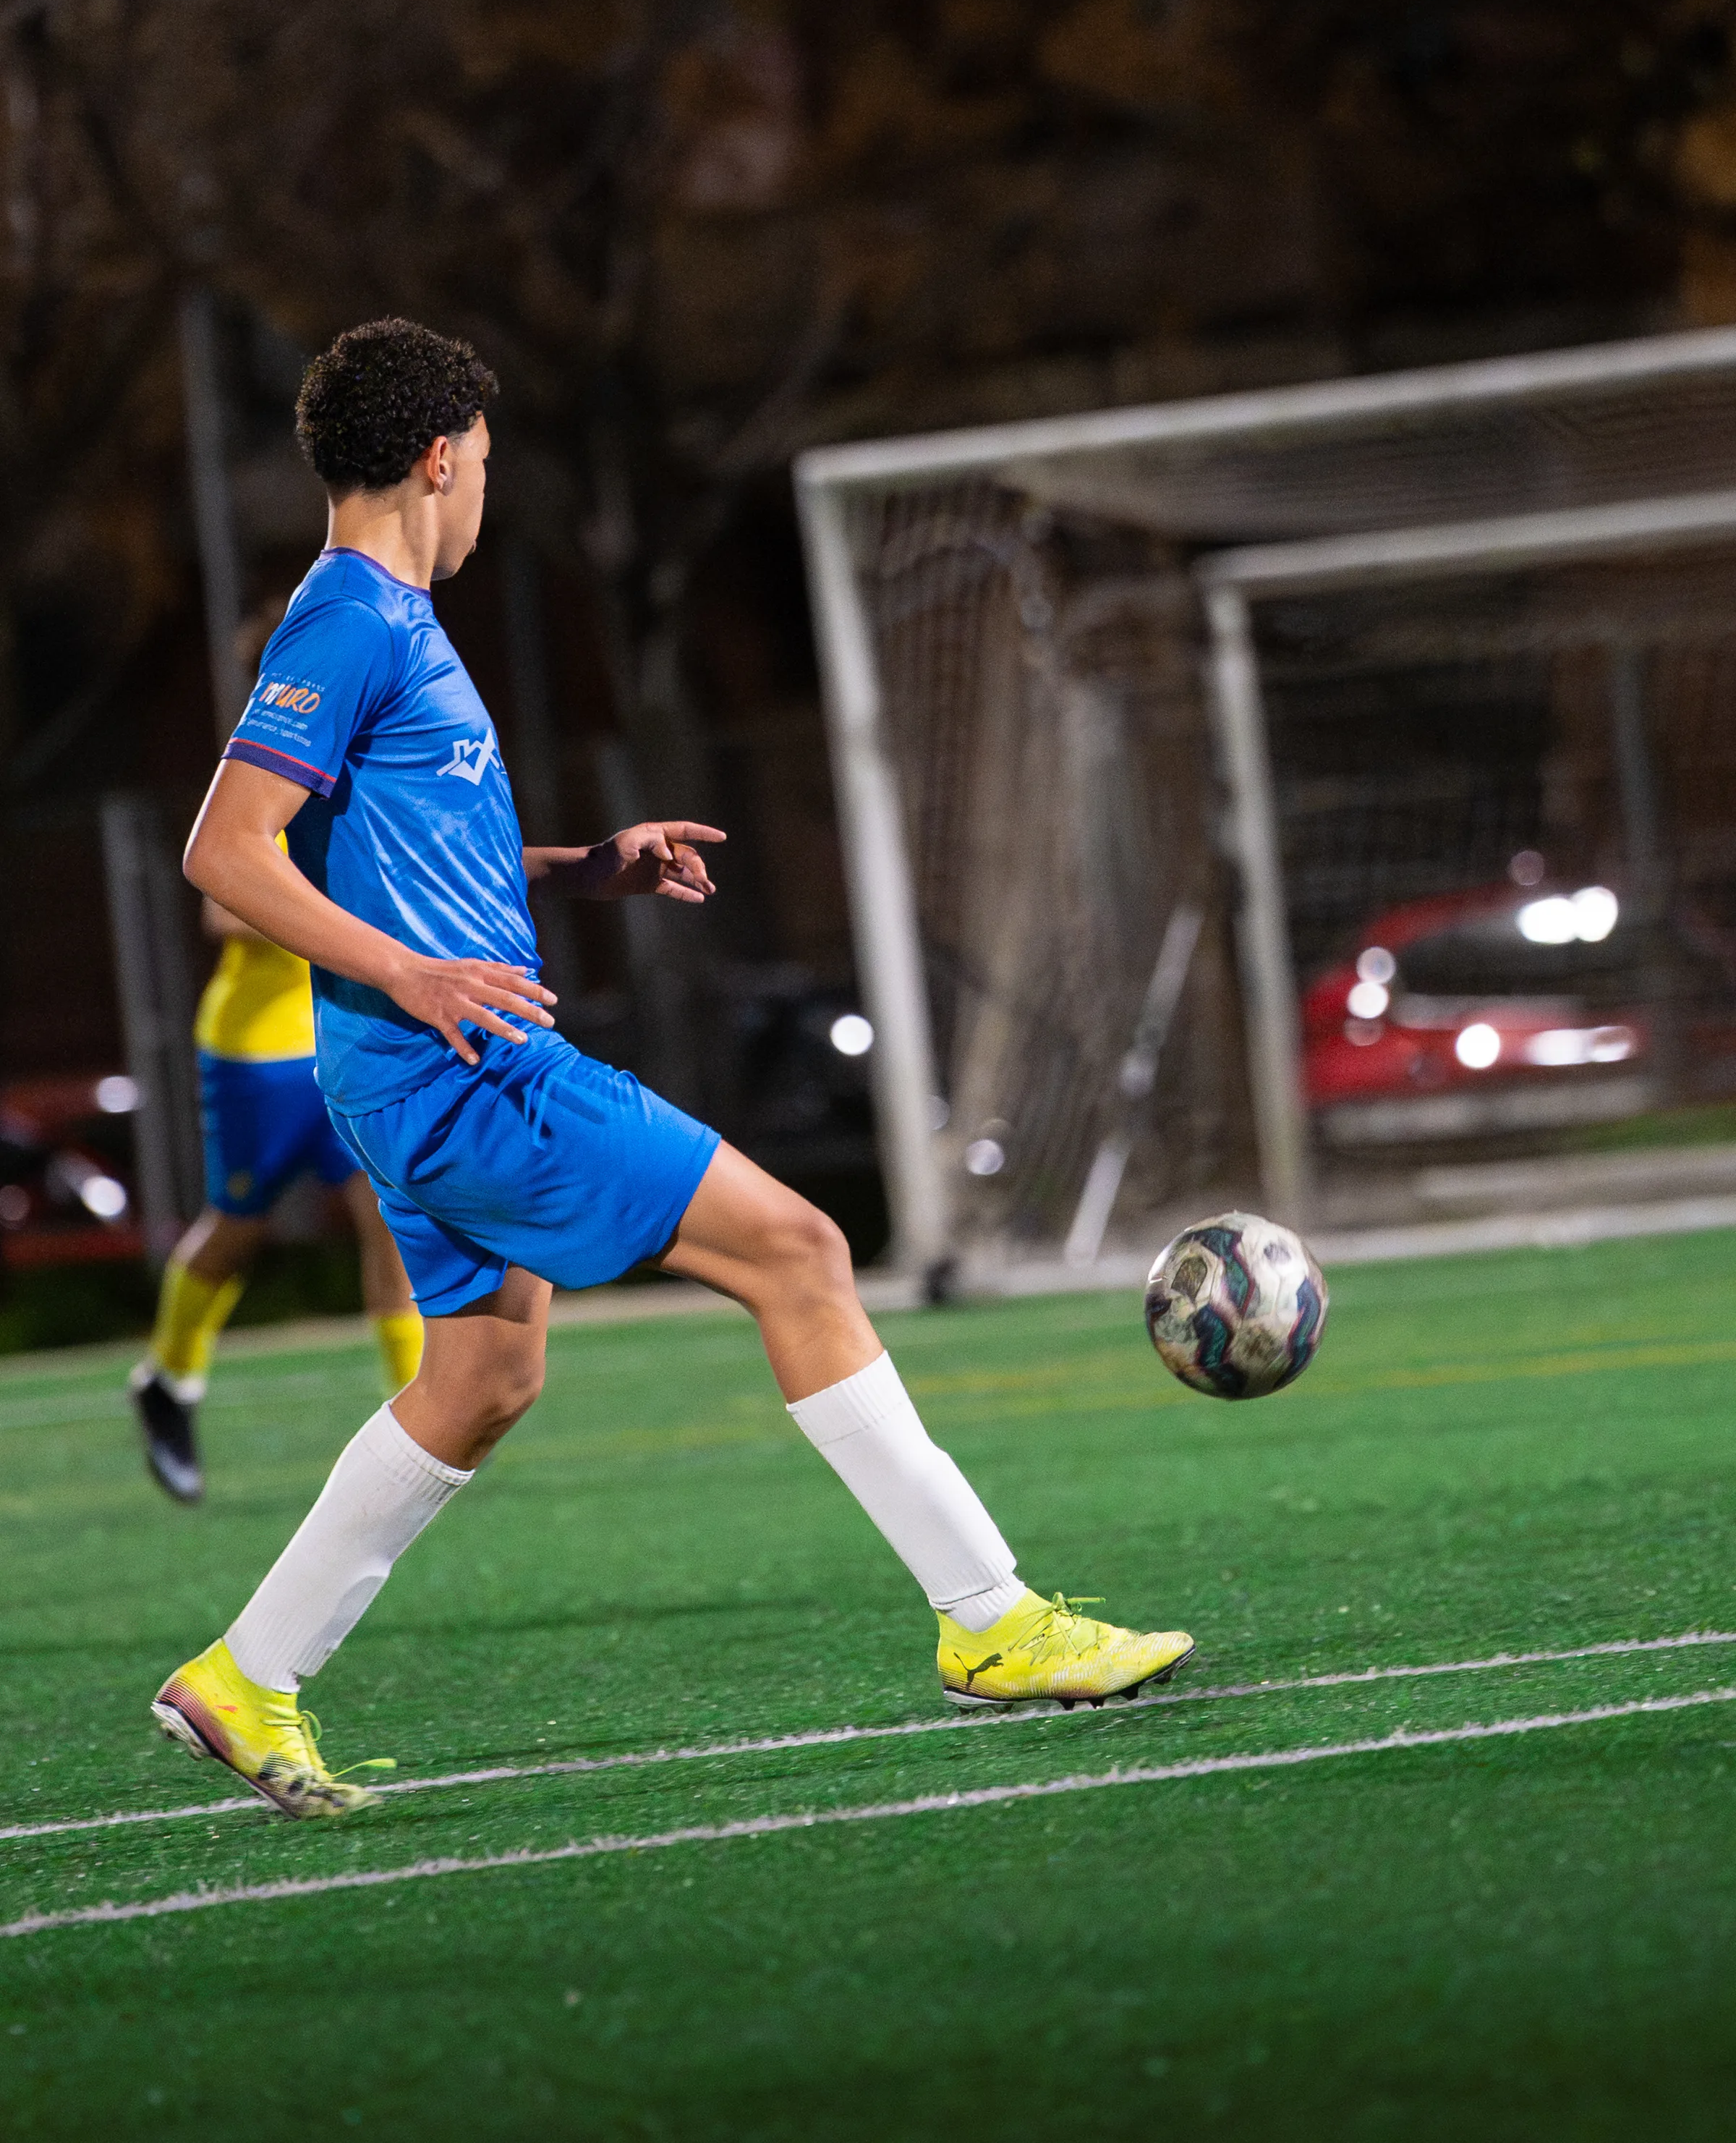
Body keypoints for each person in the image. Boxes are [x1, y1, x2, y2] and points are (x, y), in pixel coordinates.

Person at [149, 318, 1193, 1819]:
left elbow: (390, 844)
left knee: (486, 1372)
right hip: (462, 1066)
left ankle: (246, 1675)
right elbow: (225, 851)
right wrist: (414, 972)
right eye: (488, 464)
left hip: (418, 1062)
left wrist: (581, 867)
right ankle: (994, 1621)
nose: (486, 490)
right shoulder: (354, 620)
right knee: (802, 1246)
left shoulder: (377, 616)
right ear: (442, 458)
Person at [129, 610, 425, 1505]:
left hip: (338, 1035)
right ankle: (167, 1379)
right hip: (257, 1055)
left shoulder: (357, 767)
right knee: (238, 1229)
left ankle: (415, 1417)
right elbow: (224, 905)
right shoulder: (267, 765)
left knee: (384, 1216)